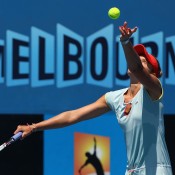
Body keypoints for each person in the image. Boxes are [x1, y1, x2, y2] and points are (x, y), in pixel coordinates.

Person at [14, 21, 172, 175]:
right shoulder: (114, 97)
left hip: (158, 170)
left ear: (153, 74)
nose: (136, 61)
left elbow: (136, 68)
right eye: (136, 58)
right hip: (131, 171)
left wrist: (125, 42)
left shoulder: (154, 90)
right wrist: (34, 127)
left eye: (143, 61)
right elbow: (72, 116)